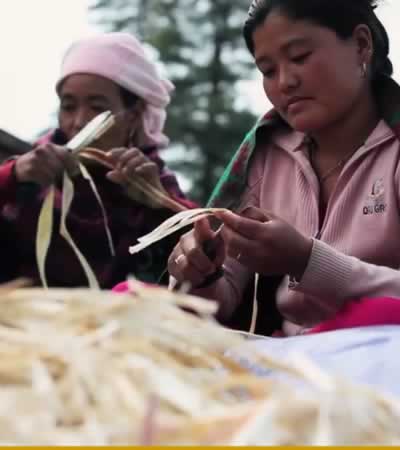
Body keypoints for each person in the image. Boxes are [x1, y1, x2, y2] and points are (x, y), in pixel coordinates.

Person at [168, 0, 400, 336]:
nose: (285, 82)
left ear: (361, 45)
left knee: (378, 313)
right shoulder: (267, 154)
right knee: (127, 301)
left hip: (381, 356)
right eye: (267, 70)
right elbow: (225, 297)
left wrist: (306, 261)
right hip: (290, 362)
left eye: (300, 57)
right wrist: (202, 274)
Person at [0, 32, 193, 288]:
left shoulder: (152, 181)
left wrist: (160, 203)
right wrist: (12, 176)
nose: (78, 122)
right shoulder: (31, 169)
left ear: (134, 115)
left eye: (98, 108)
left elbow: (205, 251)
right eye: (68, 106)